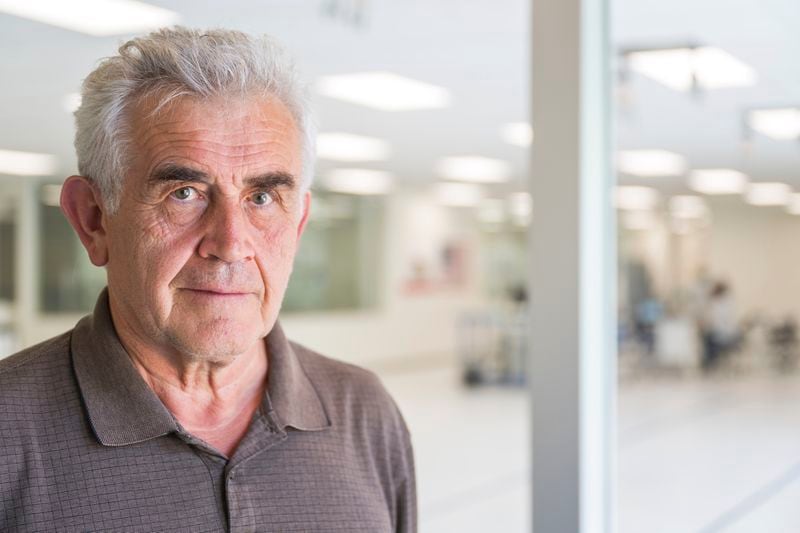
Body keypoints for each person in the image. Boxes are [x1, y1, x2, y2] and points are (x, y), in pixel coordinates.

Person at [0, 27, 416, 532]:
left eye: (262, 198)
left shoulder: (364, 411)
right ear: (93, 220)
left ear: (298, 225)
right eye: (184, 193)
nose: (231, 242)